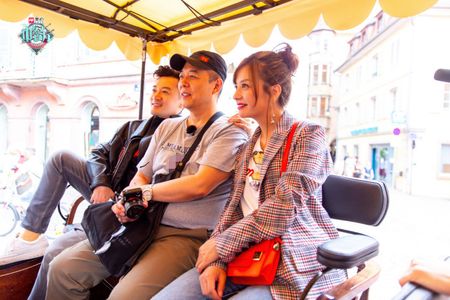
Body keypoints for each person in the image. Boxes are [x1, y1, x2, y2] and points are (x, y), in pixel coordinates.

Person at [46, 50, 249, 299]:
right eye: (182, 76)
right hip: (143, 223)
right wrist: (130, 201)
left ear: (216, 84)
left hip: (183, 235)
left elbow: (200, 185)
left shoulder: (228, 131)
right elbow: (142, 175)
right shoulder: (167, 126)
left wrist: (147, 191)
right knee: (62, 269)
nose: (183, 82)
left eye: (193, 76)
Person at [154, 44, 346, 300]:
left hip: (289, 261)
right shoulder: (247, 146)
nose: (235, 95)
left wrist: (221, 246)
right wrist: (217, 262)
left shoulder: (308, 135)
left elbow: (285, 205)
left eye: (244, 86)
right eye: (236, 86)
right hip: (243, 254)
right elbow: (233, 207)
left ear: (274, 90)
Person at [0, 65, 183, 299]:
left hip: (129, 212)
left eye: (165, 91)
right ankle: (29, 236)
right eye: (154, 89)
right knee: (61, 157)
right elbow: (98, 152)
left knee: (55, 253)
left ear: (181, 100)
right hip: (109, 191)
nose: (156, 95)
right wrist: (100, 182)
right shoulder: (134, 127)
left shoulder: (179, 137)